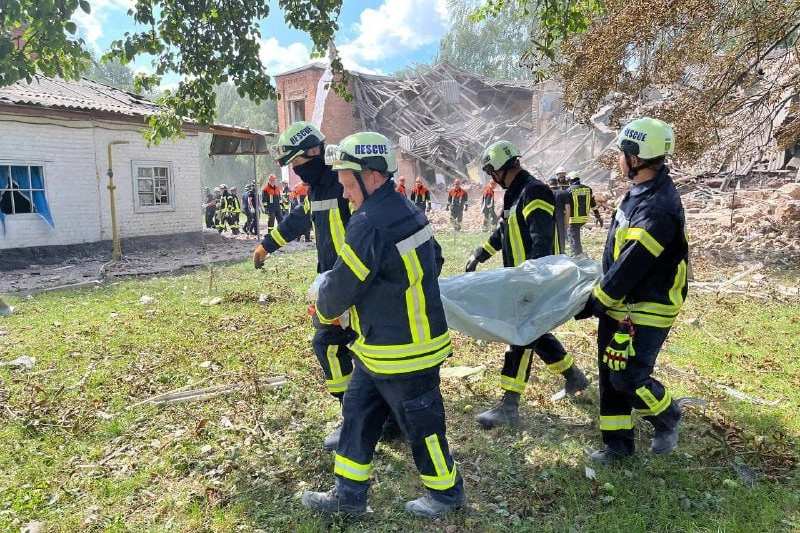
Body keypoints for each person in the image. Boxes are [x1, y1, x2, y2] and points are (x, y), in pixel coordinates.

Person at [301, 131, 466, 519]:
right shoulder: (407, 209)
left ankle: (447, 495)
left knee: (422, 427)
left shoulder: (368, 224)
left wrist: (324, 310)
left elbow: (340, 288)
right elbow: (435, 261)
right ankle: (348, 497)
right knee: (356, 414)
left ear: (371, 176)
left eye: (347, 183)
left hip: (403, 352)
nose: (344, 194)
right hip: (379, 348)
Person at [254, 121, 387, 451]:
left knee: (334, 344)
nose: (297, 173)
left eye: (297, 164)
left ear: (313, 152)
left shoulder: (344, 183)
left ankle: (357, 419)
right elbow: (300, 218)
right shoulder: (318, 187)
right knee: (348, 347)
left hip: (357, 285)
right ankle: (375, 416)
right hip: (337, 284)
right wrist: (267, 245)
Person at [574, 117, 687, 463]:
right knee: (610, 374)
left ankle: (667, 415)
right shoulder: (640, 191)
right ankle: (618, 447)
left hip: (648, 305)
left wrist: (595, 301)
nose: (619, 159)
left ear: (635, 157)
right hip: (622, 304)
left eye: (623, 152)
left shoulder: (657, 208)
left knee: (629, 378)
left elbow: (632, 264)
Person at [464, 140, 588, 429]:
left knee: (520, 336)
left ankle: (509, 405)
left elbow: (542, 238)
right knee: (536, 333)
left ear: (498, 169)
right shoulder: (514, 195)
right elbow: (502, 233)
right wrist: (479, 254)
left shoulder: (534, 191)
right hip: (523, 278)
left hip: (534, 279)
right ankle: (574, 377)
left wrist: (534, 280)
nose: (492, 179)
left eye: (491, 172)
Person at [564, 171, 603, 256]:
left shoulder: (569, 190)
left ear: (570, 180)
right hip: (584, 218)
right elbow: (593, 204)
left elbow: (567, 206)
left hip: (573, 219)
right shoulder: (588, 189)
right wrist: (598, 216)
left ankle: (576, 254)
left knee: (572, 236)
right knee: (575, 235)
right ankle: (579, 252)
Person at [548, 176, 567, 254]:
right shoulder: (563, 192)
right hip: (560, 217)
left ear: (549, 184)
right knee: (561, 235)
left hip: (549, 217)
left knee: (550, 235)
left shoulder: (546, 192)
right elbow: (567, 207)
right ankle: (561, 252)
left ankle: (551, 252)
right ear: (557, 183)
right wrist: (567, 221)